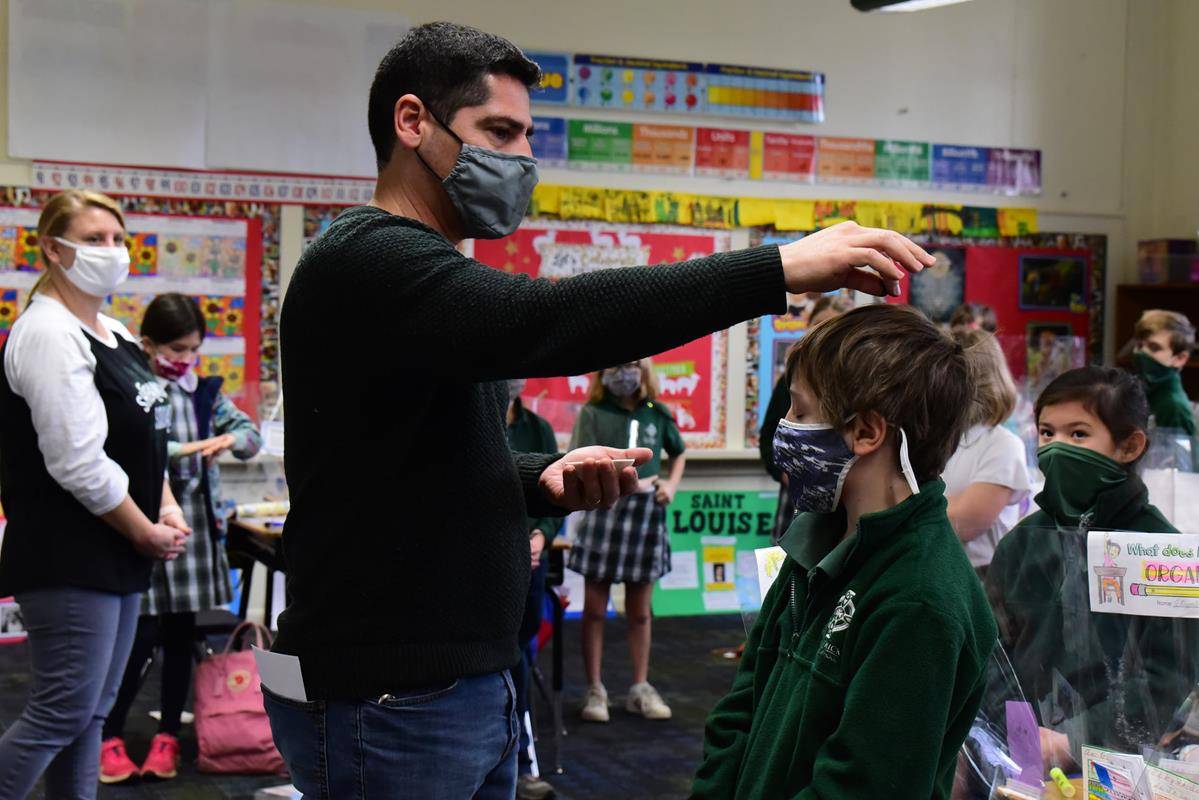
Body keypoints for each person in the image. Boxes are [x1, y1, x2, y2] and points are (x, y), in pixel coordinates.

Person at [267, 21, 934, 797]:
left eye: (526, 136)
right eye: (499, 132)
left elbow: (404, 464)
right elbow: (541, 322)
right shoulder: (369, 258)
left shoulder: (417, 272)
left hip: (452, 685)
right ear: (412, 122)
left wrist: (539, 477)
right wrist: (775, 267)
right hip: (391, 702)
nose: (521, 159)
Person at [692, 304, 996, 798]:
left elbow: (862, 785)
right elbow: (740, 709)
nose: (783, 428)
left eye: (800, 410)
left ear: (865, 432)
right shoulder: (815, 542)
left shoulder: (919, 601)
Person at [0, 190, 190, 799]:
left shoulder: (111, 331)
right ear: (53, 250)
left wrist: (165, 504)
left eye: (118, 237)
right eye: (95, 238)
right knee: (60, 712)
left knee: (90, 716)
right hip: (69, 556)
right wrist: (145, 529)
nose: (113, 250)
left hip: (119, 552)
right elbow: (78, 462)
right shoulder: (49, 334)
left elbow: (144, 437)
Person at [985, 367, 1194, 771]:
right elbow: (992, 650)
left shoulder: (1163, 551)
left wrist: (1075, 740)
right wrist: (1013, 733)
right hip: (1016, 758)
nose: (1056, 448)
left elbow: (1168, 678)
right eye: (1047, 433)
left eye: (1078, 434)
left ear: (1129, 445)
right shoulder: (1024, 542)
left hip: (1125, 763)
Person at [99, 293, 262, 784]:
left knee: (178, 636)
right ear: (147, 344)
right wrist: (190, 447)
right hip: (142, 527)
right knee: (136, 639)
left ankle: (168, 735)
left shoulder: (205, 392)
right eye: (175, 348)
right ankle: (107, 734)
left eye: (193, 349)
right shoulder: (131, 387)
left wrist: (231, 439)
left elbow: (251, 437)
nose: (185, 359)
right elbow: (130, 447)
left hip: (194, 535)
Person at [568, 359, 685, 723]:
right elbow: (574, 460)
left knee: (639, 611)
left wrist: (671, 485)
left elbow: (678, 452)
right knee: (594, 608)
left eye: (632, 364)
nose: (624, 372)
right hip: (604, 508)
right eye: (616, 365)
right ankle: (595, 690)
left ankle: (639, 687)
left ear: (644, 369)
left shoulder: (657, 412)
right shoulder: (592, 412)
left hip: (646, 511)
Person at [504, 378, 562, 800]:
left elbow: (552, 495)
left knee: (519, 653)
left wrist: (541, 535)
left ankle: (521, 763)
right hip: (484, 562)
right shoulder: (469, 423)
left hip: (529, 562)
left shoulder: (536, 427)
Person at [759, 294, 854, 541]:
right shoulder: (791, 379)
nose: (824, 335)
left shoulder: (855, 385)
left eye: (833, 327)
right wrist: (785, 473)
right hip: (796, 492)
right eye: (818, 325)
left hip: (841, 497)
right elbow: (770, 433)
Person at [942, 328, 1031, 578]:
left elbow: (964, 523)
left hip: (982, 577)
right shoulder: (932, 436)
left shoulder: (1002, 444)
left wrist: (914, 506)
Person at [1132, 309, 1196, 436]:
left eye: (1154, 348)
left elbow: (1180, 455)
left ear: (1179, 358)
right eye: (1140, 345)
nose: (1142, 353)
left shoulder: (1173, 406)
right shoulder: (1147, 391)